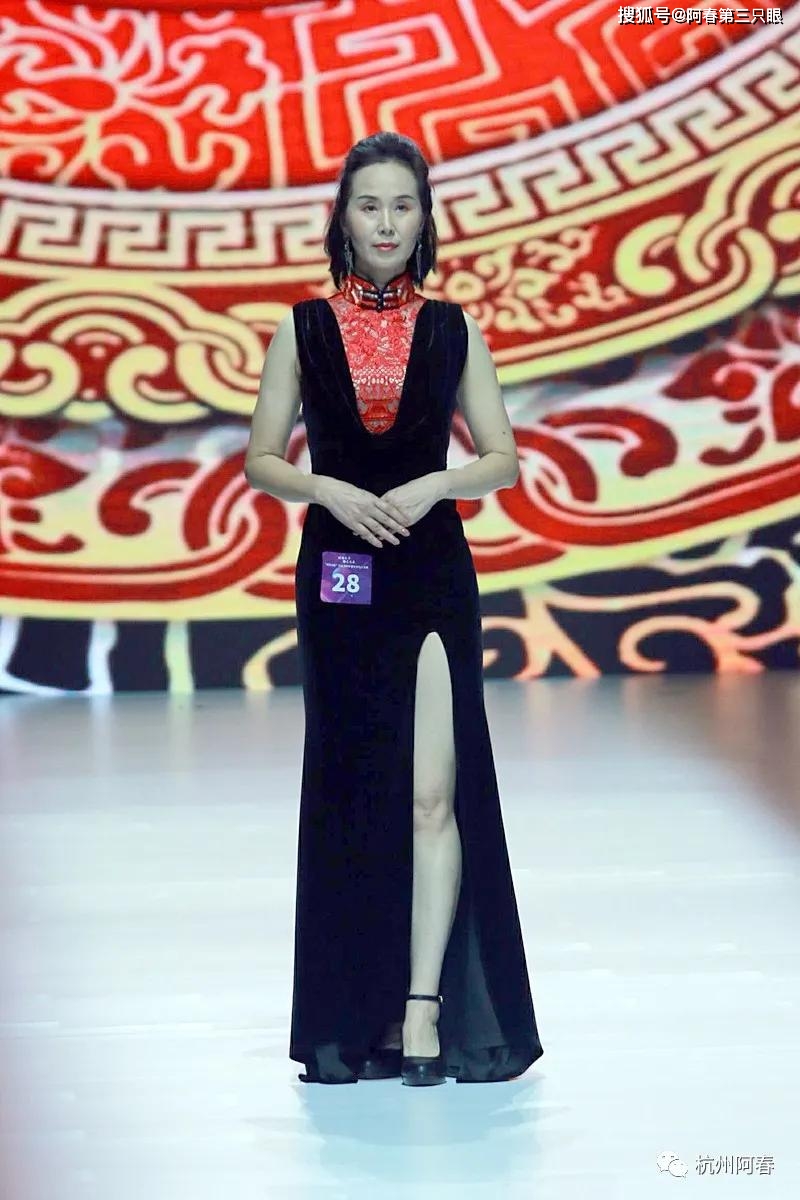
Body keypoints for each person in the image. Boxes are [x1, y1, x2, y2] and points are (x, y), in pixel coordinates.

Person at [245, 132, 544, 1086]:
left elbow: (502, 459)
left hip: (429, 575)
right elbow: (262, 459)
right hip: (339, 574)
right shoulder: (301, 329)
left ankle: (422, 1009)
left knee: (432, 794)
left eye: (402, 206)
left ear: (424, 220)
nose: (385, 223)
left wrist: (434, 485)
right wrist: (325, 489)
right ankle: (358, 1010)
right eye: (368, 205)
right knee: (354, 790)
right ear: (342, 217)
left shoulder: (455, 330)